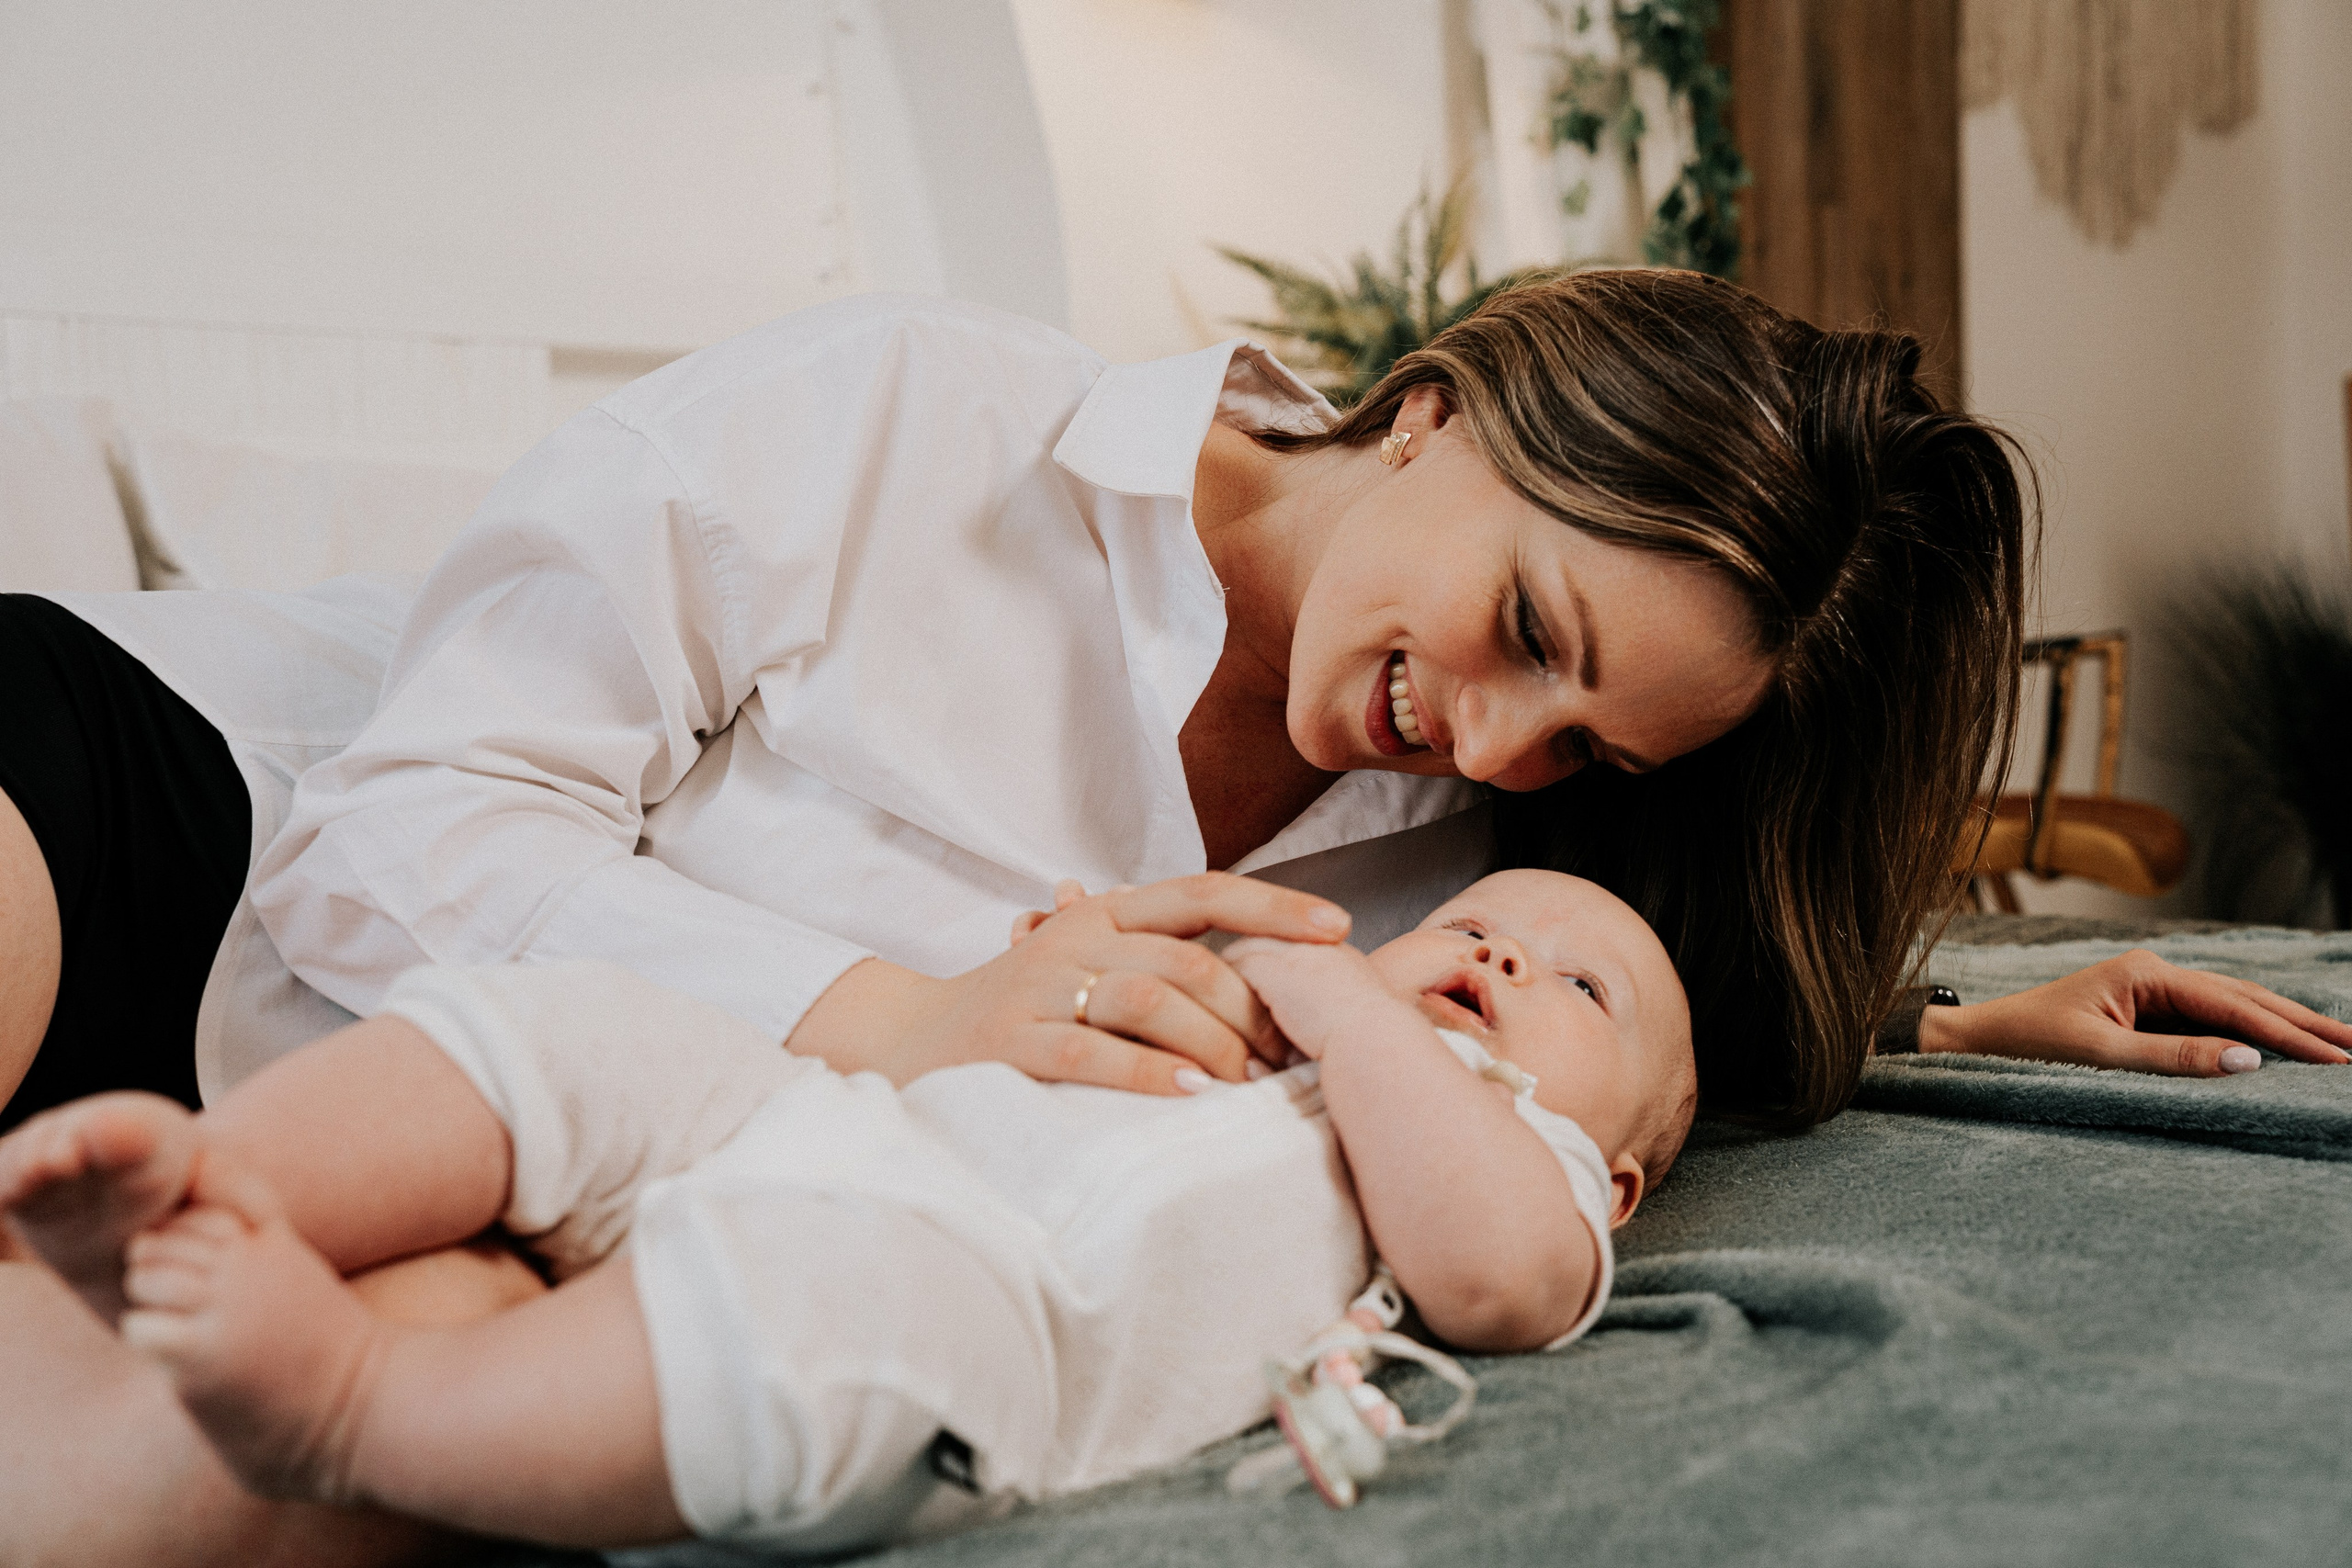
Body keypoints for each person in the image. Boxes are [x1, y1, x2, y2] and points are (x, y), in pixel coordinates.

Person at [5, 273, 2349, 1566]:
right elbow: (412, 818)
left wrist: (1937, 1013)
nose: (1507, 735)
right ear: (1432, 408)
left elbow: (1572, 1051)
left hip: (496, 1181)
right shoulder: (915, 421)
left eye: (1589, 750)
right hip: (200, 818)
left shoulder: (1453, 858)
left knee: (280, 1469)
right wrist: (905, 1012)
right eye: (1530, 620)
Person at [0, 868, 1695, 1556]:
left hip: (993, 1300)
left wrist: (1351, 1011)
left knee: (834, 1331)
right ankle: (241, 1176)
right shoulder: (1290, 1022)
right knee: (592, 1030)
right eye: (1477, 920)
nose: (1495, 956)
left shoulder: (1529, 1173)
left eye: (1578, 986)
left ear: (1618, 1176)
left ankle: (357, 1409)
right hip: (842, 1126)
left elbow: (1491, 1276)